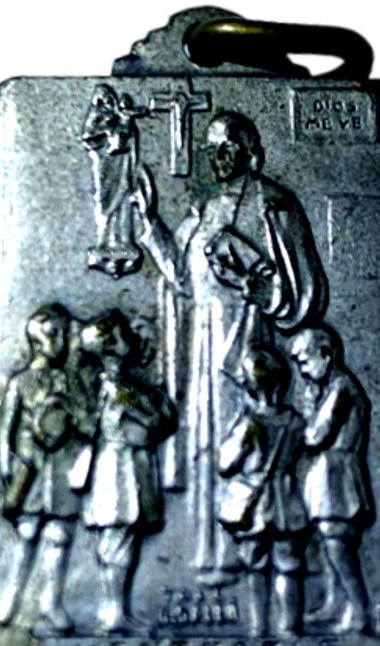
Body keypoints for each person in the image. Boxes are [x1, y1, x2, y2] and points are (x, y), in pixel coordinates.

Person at [133, 111, 328, 583]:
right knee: (206, 442)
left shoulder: (273, 203)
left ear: (250, 152)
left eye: (228, 147)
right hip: (203, 340)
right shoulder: (204, 208)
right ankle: (211, 551)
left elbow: (304, 287)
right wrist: (150, 220)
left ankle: (251, 552)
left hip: (244, 338)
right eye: (213, 148)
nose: (219, 157)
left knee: (244, 442)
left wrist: (257, 287)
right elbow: (181, 277)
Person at [79, 309, 177, 632]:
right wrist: (155, 403)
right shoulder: (118, 389)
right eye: (127, 335)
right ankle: (114, 613)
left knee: (120, 540)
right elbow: (155, 420)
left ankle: (116, 611)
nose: (134, 338)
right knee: (117, 540)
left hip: (127, 462)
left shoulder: (119, 386)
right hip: (120, 467)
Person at [0, 303, 86, 634]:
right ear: (38, 339)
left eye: (63, 333)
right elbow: (6, 431)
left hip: (61, 470)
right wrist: (7, 469)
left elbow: (85, 423)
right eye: (55, 333)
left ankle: (51, 603)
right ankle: (11, 598)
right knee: (28, 533)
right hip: (30, 470)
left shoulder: (70, 381)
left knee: (59, 535)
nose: (63, 340)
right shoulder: (20, 383)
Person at [217, 345, 307, 636]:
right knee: (289, 565)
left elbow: (225, 464)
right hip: (287, 499)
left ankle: (258, 629)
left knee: (255, 565)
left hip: (255, 502)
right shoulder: (295, 421)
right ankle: (289, 628)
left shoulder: (249, 424)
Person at [289, 326, 374, 633]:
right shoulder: (331, 388)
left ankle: (360, 609)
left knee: (337, 543)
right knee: (329, 542)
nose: (302, 370)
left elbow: (316, 435)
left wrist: (298, 422)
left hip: (338, 475)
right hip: (326, 474)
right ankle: (335, 604)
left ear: (326, 355)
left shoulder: (341, 388)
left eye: (305, 361)